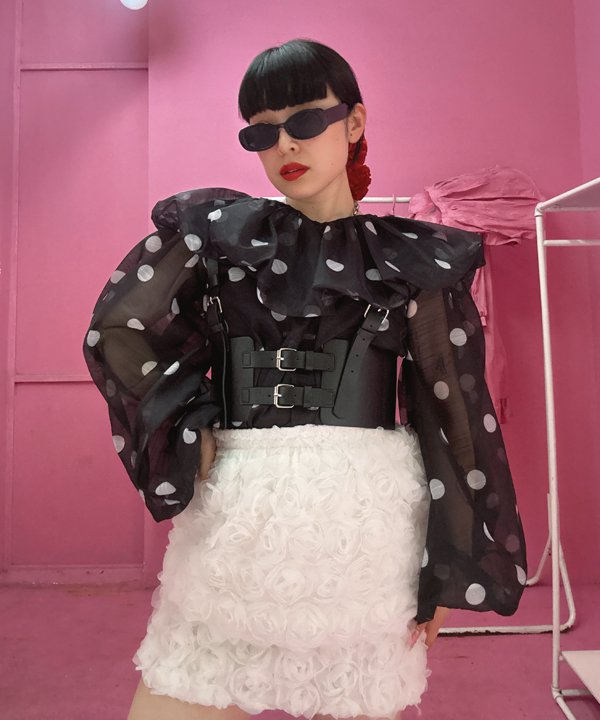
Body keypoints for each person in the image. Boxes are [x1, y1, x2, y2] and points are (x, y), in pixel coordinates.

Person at [83, 38, 527, 720]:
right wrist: (190, 418)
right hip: (237, 522)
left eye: (306, 120)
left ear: (354, 122)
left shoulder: (413, 260)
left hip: (366, 532)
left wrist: (448, 567)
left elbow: (453, 414)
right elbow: (119, 328)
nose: (284, 143)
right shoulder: (221, 236)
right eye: (261, 131)